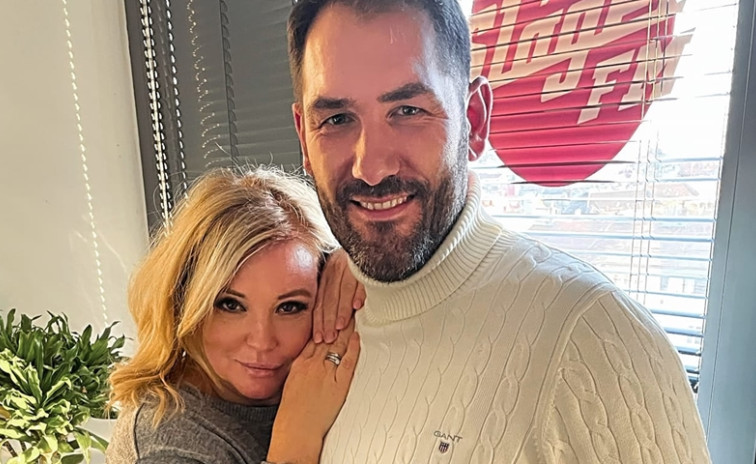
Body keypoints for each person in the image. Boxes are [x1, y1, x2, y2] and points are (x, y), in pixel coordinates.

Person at [286, 1, 712, 463]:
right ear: (304, 137)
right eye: (336, 120)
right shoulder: (300, 324)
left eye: (408, 110)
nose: (371, 167)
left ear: (474, 120)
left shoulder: (597, 338)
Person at [106, 166, 363, 464]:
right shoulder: (167, 446)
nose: (262, 341)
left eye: (290, 307)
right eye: (230, 305)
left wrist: (353, 263)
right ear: (184, 302)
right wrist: (297, 438)